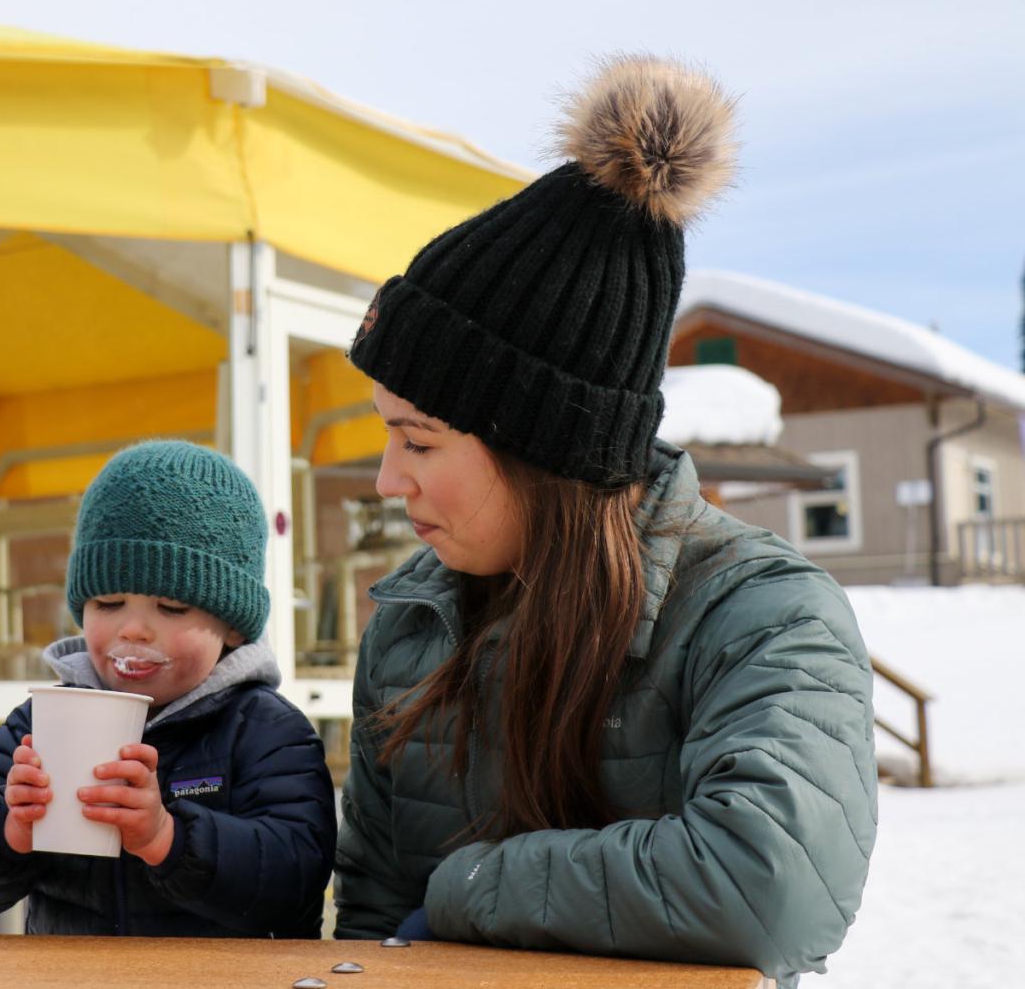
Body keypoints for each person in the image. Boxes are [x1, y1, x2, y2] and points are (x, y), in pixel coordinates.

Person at [333, 56, 876, 988]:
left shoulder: (765, 617)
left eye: (418, 443)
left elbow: (773, 884)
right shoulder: (410, 626)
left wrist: (473, 888)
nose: (388, 481)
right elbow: (374, 922)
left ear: (541, 450)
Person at [0, 440, 336, 937]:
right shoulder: (43, 720)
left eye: (172, 607)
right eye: (109, 602)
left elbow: (298, 879)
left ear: (233, 626)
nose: (133, 630)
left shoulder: (266, 729)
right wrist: (9, 827)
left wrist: (168, 836)